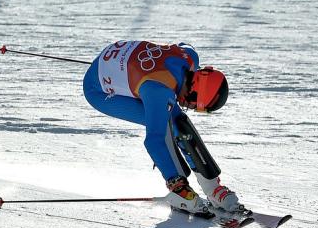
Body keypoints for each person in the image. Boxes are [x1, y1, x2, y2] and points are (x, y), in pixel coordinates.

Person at [83, 40, 246, 216]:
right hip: (97, 90)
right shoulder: (159, 91)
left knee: (178, 119)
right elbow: (154, 140)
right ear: (193, 91)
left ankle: (211, 186)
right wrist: (174, 181)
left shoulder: (191, 58)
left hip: (118, 58)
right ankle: (179, 189)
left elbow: (185, 45)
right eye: (195, 106)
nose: (190, 107)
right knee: (166, 122)